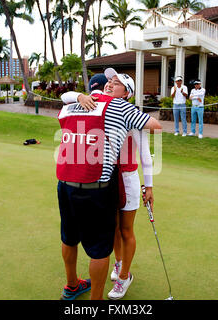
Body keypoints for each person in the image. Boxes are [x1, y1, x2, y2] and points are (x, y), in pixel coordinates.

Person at [57, 70, 161, 300]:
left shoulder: (129, 113)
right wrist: (78, 96)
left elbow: (145, 154)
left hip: (126, 178)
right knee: (110, 230)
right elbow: (66, 98)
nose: (110, 84)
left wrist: (149, 185)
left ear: (128, 93)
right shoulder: (95, 106)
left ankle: (124, 275)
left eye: (117, 82)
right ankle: (117, 265)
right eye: (109, 81)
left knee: (125, 230)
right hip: (106, 181)